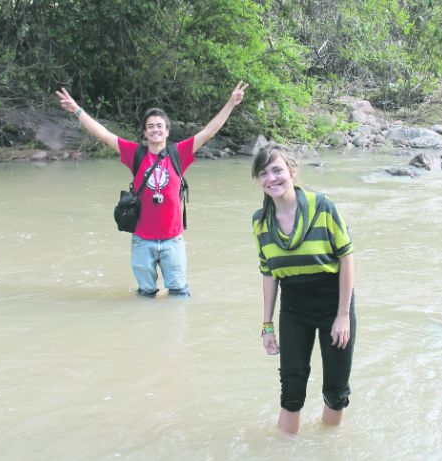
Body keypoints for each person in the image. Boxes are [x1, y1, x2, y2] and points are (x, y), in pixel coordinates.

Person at [56, 81, 248, 298]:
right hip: (142, 240)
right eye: (150, 126)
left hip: (173, 240)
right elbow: (104, 135)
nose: (155, 129)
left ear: (167, 131)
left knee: (179, 294)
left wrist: (231, 103)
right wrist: (78, 111)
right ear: (145, 133)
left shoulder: (179, 153)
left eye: (159, 126)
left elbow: (208, 133)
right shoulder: (135, 154)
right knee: (145, 295)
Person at [251, 144, 357, 435]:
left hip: (333, 302)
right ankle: (285, 450)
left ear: (292, 172)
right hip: (294, 307)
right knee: (291, 388)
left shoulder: (322, 206)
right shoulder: (260, 223)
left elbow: (346, 259)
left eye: (277, 170)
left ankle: (329, 448)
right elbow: (269, 273)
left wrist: (343, 315)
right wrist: (267, 325)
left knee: (336, 390)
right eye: (264, 173)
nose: (271, 178)